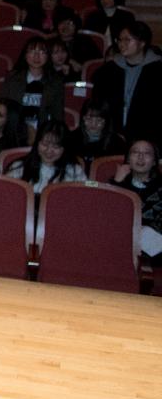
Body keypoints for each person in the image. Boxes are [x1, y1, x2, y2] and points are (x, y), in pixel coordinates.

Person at [92, 21, 162, 146]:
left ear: (142, 43)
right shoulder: (108, 70)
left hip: (148, 136)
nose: (121, 44)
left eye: (127, 40)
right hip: (112, 134)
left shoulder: (158, 70)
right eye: (119, 40)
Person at [0, 36, 65, 139]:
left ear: (48, 57)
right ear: (25, 55)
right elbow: (2, 106)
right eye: (32, 51)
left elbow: (57, 114)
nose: (37, 56)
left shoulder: (55, 82)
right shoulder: (12, 78)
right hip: (13, 131)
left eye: (42, 52)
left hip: (43, 133)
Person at [112, 139, 162, 268]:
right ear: (128, 159)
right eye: (135, 152)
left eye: (147, 153)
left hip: (153, 247)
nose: (140, 157)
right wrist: (117, 183)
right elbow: (106, 215)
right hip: (119, 241)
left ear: (154, 161)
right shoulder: (116, 181)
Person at [7, 120, 87, 196]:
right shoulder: (19, 167)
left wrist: (97, 184)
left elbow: (91, 184)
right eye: (45, 145)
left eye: (56, 147)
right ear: (37, 144)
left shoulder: (75, 170)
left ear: (64, 148)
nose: (49, 151)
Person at [69, 97, 125, 170]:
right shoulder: (71, 139)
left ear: (106, 121)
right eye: (89, 119)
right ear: (83, 118)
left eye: (99, 120)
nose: (93, 124)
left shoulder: (117, 142)